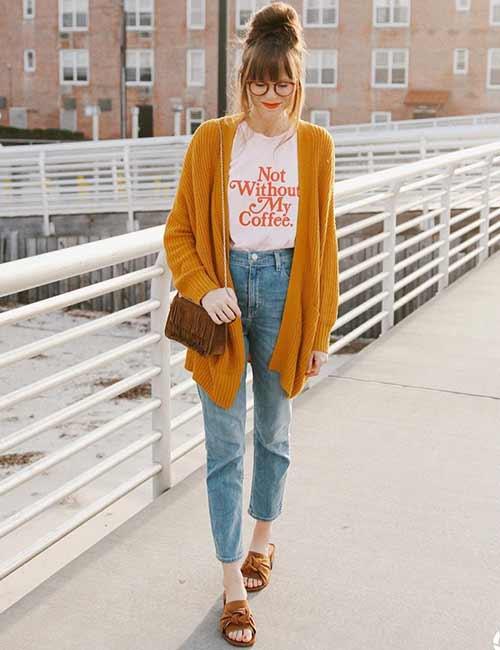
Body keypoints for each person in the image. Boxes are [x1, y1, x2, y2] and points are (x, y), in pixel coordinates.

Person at [163, 2, 339, 645]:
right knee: (224, 445)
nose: (271, 96)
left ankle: (264, 540)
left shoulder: (316, 147)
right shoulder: (212, 141)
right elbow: (179, 232)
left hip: (288, 293)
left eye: (283, 83)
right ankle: (233, 582)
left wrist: (318, 331)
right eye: (259, 83)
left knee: (274, 430)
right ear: (244, 82)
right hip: (228, 295)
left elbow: (324, 241)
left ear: (298, 81)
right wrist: (206, 288)